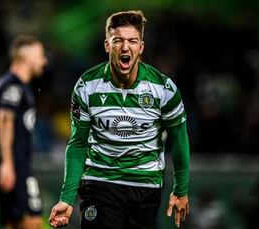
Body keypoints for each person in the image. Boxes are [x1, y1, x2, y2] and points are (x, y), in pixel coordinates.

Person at [49, 10, 190, 228]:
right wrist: (66, 198)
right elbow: (77, 144)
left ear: (141, 48)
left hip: (146, 187)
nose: (125, 47)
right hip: (100, 184)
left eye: (132, 41)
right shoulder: (87, 86)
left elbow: (179, 138)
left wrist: (181, 190)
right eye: (118, 41)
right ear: (107, 46)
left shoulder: (163, 89)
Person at [0, 35, 47, 229]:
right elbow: (4, 120)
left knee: (13, 223)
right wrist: (7, 163)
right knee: (32, 220)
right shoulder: (13, 85)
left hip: (7, 164)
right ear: (27, 58)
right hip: (15, 166)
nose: (44, 61)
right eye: (40, 55)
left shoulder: (5, 83)